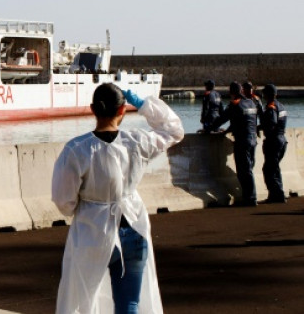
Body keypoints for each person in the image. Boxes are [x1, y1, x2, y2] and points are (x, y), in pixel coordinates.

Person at [52, 84, 184, 313]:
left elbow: (64, 201)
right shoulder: (137, 141)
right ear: (122, 110)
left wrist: (83, 205)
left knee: (81, 300)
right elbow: (174, 131)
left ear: (93, 109)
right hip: (133, 226)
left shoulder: (77, 149)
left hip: (92, 230)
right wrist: (144, 105)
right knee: (130, 302)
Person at [209, 81, 260, 206]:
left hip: (243, 141)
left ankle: (251, 198)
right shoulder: (251, 103)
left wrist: (209, 128)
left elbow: (222, 119)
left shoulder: (235, 104)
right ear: (242, 91)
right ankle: (249, 196)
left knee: (244, 170)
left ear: (231, 92)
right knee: (249, 169)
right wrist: (227, 131)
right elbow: (243, 121)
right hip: (253, 140)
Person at [260, 84, 288, 204]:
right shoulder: (281, 106)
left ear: (268, 95)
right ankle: (278, 193)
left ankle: (277, 196)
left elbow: (271, 123)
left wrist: (260, 128)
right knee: (275, 169)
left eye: (264, 93)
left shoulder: (271, 107)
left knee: (268, 170)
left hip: (274, 141)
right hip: (282, 140)